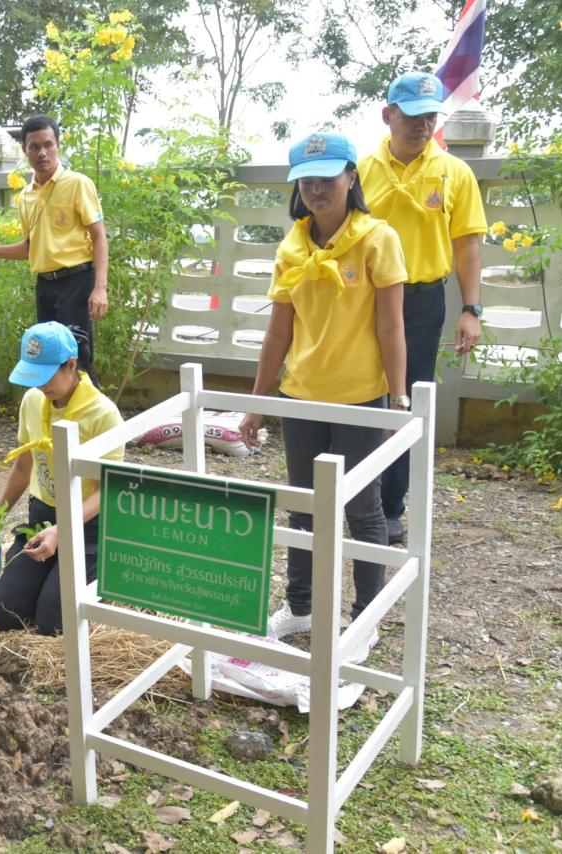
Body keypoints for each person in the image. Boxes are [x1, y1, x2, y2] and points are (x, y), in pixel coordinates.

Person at [237, 133, 407, 643]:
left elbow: (391, 327)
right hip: (302, 394)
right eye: (306, 181)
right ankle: (302, 608)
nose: (316, 189)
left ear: (351, 177)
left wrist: (397, 400)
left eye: (327, 178)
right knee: (303, 505)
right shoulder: (291, 246)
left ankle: (367, 617)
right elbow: (278, 333)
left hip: (359, 396)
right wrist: (257, 404)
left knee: (362, 508)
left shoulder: (378, 239)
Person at [358, 71, 487, 544]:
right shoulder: (360, 167)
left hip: (419, 302)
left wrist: (470, 308)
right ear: (387, 114)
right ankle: (356, 495)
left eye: (430, 117)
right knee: (358, 392)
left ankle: (389, 507)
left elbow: (467, 245)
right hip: (361, 299)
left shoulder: (455, 172)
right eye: (412, 116)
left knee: (405, 398)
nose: (422, 125)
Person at [0, 322, 123, 636]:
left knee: (54, 625)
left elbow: (108, 489)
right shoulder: (33, 401)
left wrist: (64, 529)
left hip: (87, 525)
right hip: (42, 517)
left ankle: (106, 569)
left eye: (46, 375)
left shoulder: (102, 414)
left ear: (72, 365)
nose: (39, 385)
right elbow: (23, 467)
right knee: (7, 615)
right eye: (32, 375)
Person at [0, 115, 108, 382]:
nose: (42, 153)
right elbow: (29, 247)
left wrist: (100, 288)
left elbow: (99, 237)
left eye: (48, 144)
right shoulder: (25, 195)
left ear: (58, 144)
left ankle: (94, 421)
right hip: (45, 287)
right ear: (24, 150)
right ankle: (56, 419)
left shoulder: (77, 184)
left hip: (77, 282)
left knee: (77, 358)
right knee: (47, 360)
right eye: (34, 146)